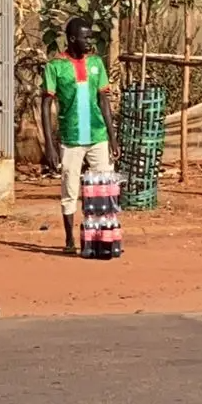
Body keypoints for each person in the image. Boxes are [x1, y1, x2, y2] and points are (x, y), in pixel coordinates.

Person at [41, 17, 120, 253]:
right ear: (72, 39)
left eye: (91, 37)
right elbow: (46, 104)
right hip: (71, 137)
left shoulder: (96, 63)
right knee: (69, 189)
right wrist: (49, 145)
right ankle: (69, 240)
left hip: (98, 135)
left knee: (104, 186)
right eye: (86, 37)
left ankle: (102, 237)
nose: (89, 41)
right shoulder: (55, 66)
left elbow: (103, 100)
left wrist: (112, 137)